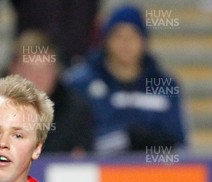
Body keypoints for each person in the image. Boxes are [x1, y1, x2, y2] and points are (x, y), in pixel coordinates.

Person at [65, 4, 187, 154]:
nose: (126, 43)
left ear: (144, 41)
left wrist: (148, 141)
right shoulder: (81, 83)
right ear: (106, 40)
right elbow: (72, 140)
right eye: (119, 36)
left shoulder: (164, 85)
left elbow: (179, 141)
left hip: (154, 172)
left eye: (133, 36)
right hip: (100, 172)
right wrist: (124, 138)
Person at [9, 30, 93, 154]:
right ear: (14, 70)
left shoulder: (76, 111)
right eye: (30, 70)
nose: (38, 78)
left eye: (45, 70)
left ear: (56, 72)